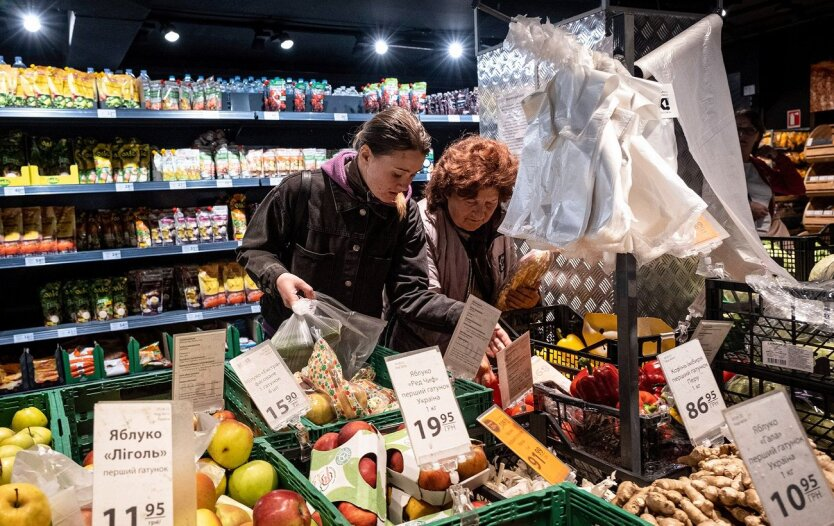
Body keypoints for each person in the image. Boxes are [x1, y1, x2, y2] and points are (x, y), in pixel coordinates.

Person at [238, 107, 508, 378]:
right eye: (397, 174)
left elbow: (409, 295)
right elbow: (254, 248)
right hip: (290, 345)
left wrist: (470, 318)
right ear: (366, 155)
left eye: (412, 175)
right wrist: (279, 276)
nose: (404, 186)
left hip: (355, 354)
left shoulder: (405, 214)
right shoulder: (302, 191)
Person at [388, 136, 540, 352]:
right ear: (447, 192)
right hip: (425, 356)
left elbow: (502, 295)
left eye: (490, 203)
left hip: (481, 349)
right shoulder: (423, 224)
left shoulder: (499, 227)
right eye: (471, 202)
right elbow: (422, 305)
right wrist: (469, 348)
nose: (480, 214)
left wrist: (528, 301)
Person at [736, 109, 805, 237]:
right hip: (736, 238)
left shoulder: (759, 167)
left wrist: (779, 158)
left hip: (764, 238)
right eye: (737, 128)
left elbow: (797, 188)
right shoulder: (719, 165)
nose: (742, 134)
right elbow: (711, 197)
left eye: (749, 130)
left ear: (758, 136)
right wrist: (745, 207)